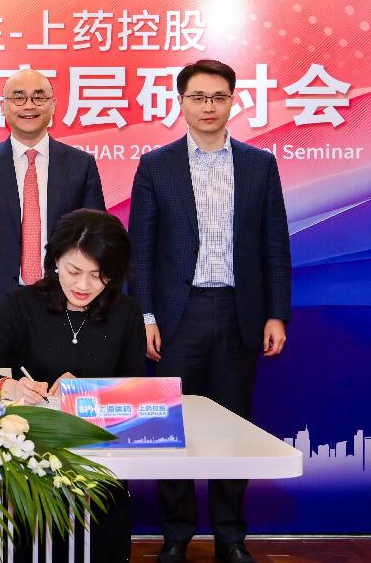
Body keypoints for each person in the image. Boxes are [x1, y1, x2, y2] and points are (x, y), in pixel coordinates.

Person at [127, 59, 291, 563]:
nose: (208, 106)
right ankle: (177, 534)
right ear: (181, 103)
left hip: (240, 312)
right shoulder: (157, 165)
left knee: (233, 426)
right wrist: (146, 316)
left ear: (232, 102)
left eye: (218, 97)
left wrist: (276, 313)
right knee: (171, 426)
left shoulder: (259, 165)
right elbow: (141, 250)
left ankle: (230, 536)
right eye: (197, 97)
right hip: (178, 316)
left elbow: (275, 245)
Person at [0, 208, 143, 562]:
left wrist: (90, 389)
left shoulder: (127, 313)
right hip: (30, 458)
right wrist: (6, 386)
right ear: (55, 259)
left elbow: (138, 391)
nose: (83, 286)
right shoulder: (23, 304)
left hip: (98, 461)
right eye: (74, 271)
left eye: (98, 275)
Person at [0, 68, 105, 325]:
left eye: (39, 97)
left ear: (53, 105)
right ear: (3, 107)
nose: (29, 105)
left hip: (68, 301)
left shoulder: (81, 165)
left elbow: (96, 241)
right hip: (0, 306)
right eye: (18, 97)